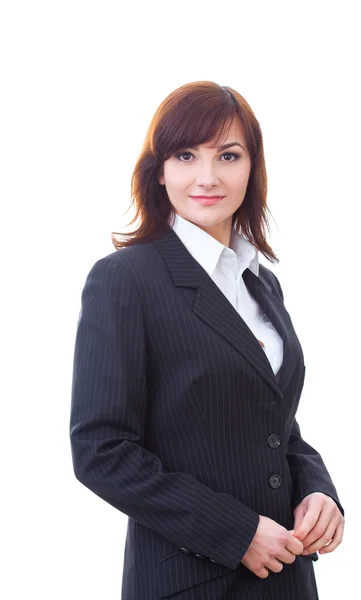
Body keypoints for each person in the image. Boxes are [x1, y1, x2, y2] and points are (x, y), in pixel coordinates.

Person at [69, 80, 345, 600]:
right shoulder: (125, 279)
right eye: (186, 154)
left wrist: (318, 492)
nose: (208, 177)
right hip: (190, 582)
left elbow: (275, 425)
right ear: (160, 170)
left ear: (252, 167)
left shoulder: (259, 283)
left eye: (229, 155)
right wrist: (236, 533)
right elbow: (101, 450)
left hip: (288, 577)